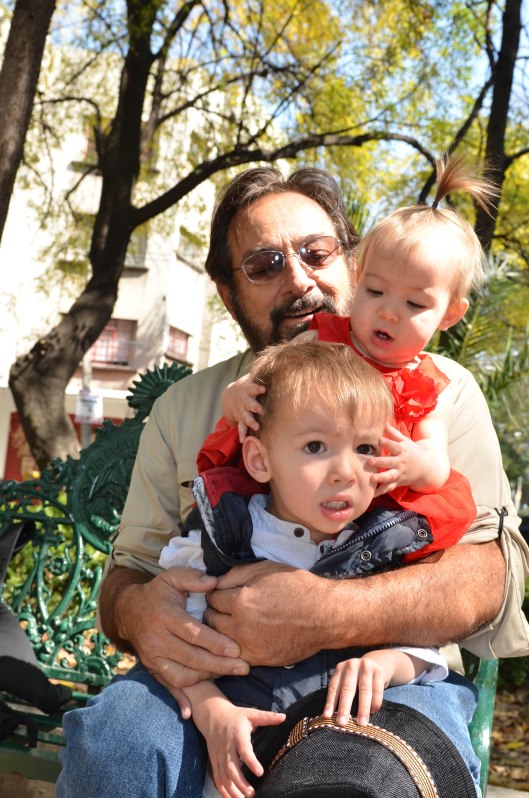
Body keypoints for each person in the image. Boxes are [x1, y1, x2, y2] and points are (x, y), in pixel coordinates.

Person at [56, 165, 529, 798]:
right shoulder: (194, 408)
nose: (299, 279)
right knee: (116, 744)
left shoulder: (433, 394)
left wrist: (329, 613)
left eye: (316, 252)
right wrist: (140, 611)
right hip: (214, 677)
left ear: (350, 263)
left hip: (382, 680)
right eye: (264, 264)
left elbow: (491, 575)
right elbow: (130, 573)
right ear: (229, 295)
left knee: (349, 782)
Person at [159, 340, 469, 798]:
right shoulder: (226, 537)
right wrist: (211, 710)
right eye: (316, 446)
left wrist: (386, 663)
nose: (346, 471)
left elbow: (424, 650)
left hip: (338, 757)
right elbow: (175, 640)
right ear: (260, 460)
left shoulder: (387, 541)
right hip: (234, 755)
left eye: (365, 446)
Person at [219, 154, 496, 499]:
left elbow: (436, 464)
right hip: (303, 493)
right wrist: (236, 396)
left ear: (450, 314)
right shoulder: (321, 337)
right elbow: (261, 380)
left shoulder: (426, 387)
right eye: (375, 291)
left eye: (415, 304)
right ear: (357, 277)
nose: (389, 313)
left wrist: (415, 464)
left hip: (374, 514)